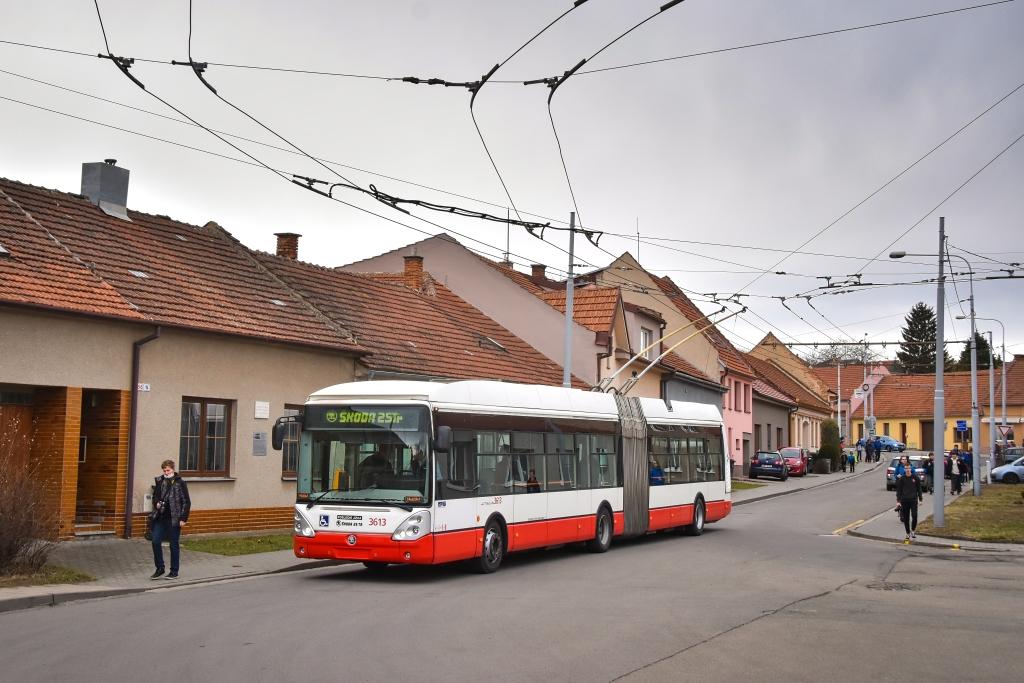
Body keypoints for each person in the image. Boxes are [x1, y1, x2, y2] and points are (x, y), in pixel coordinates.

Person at [150, 459, 190, 580]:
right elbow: (155, 496)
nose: (166, 472)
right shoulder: (160, 481)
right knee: (155, 541)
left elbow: (186, 501)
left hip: (174, 518)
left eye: (168, 470)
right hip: (160, 517)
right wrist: (156, 503)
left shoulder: (180, 483)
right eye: (164, 470)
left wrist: (183, 518)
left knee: (173, 544)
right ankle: (160, 568)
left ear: (173, 469)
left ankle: (174, 571)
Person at [894, 460, 924, 541]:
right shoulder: (902, 479)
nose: (907, 470)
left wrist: (920, 499)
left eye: (909, 468)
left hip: (913, 500)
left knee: (914, 516)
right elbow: (899, 491)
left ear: (911, 469)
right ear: (904, 469)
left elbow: (919, 489)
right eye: (906, 468)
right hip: (904, 501)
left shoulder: (915, 478)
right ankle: (907, 533)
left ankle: (913, 531)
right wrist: (898, 501)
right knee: (906, 518)